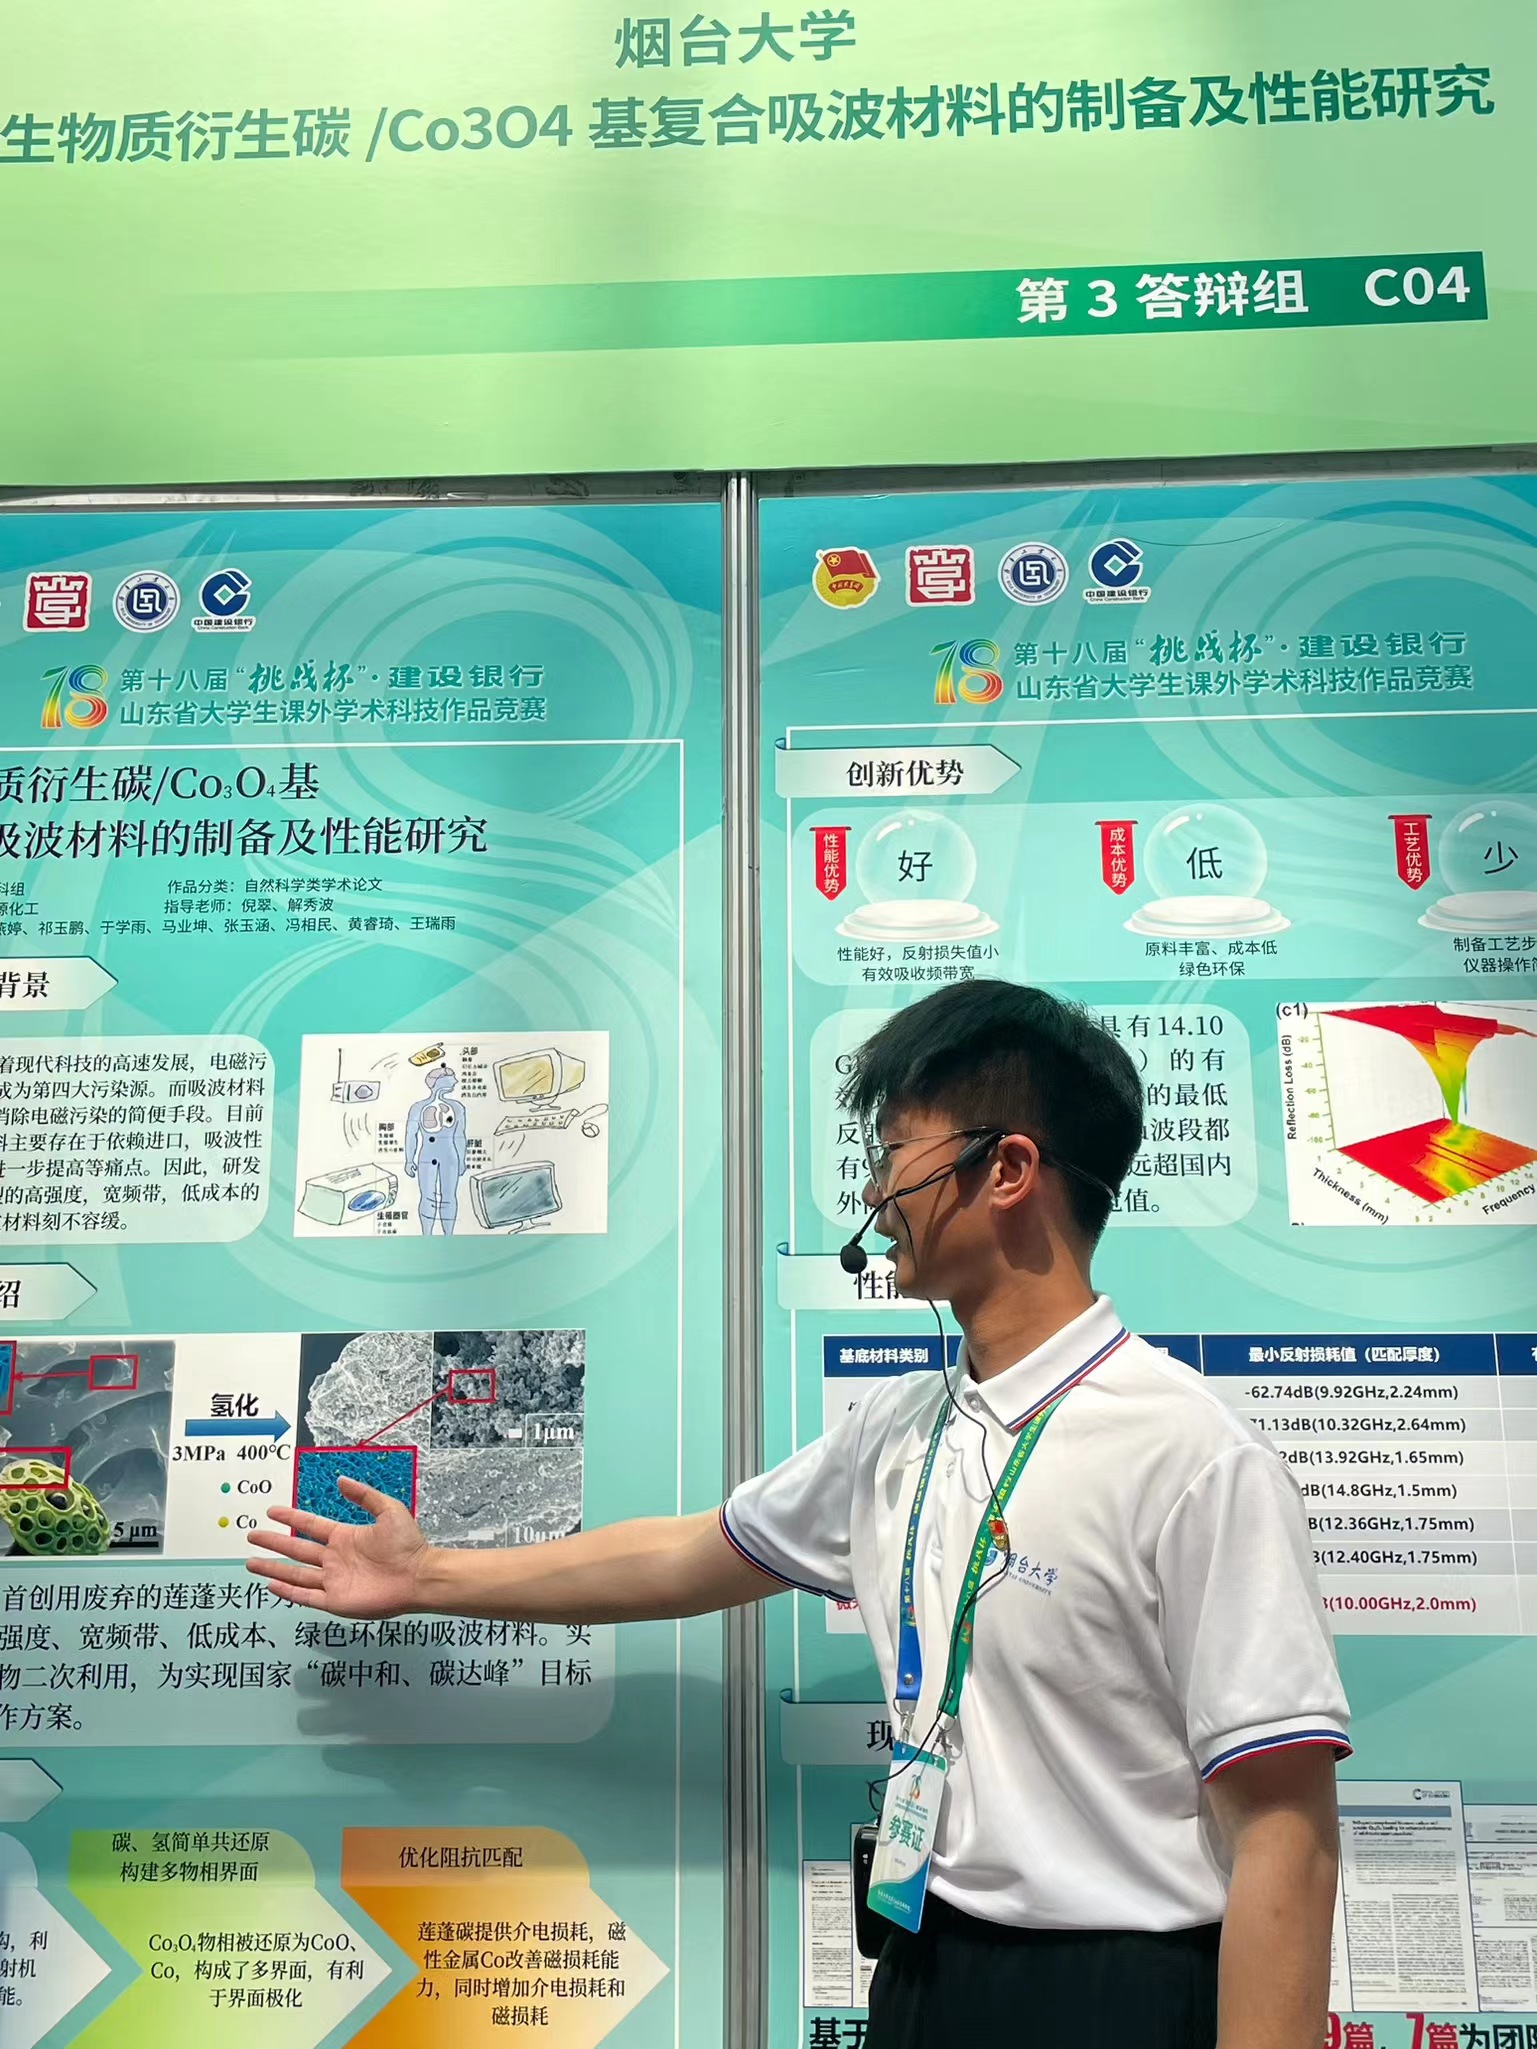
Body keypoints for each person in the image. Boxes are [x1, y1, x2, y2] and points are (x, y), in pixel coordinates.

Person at [249, 980, 1349, 2049]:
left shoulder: (1193, 1455)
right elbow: (691, 1552)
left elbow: (1283, 1835)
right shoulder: (902, 1425)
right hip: (926, 1962)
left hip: (1116, 1989)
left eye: (894, 1152)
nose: (873, 1193)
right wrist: (430, 1576)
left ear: (1008, 1169)